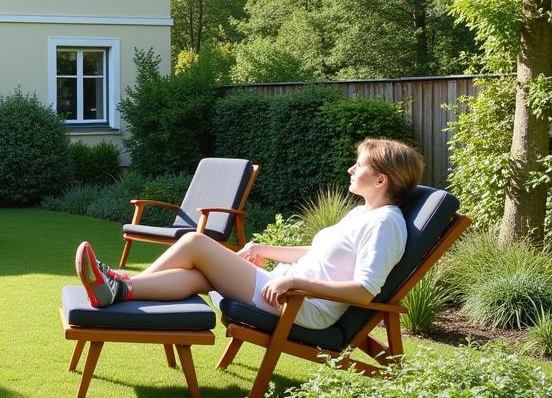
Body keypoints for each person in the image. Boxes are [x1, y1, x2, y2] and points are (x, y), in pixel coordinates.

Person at [75, 138, 424, 329]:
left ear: (381, 179)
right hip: (286, 291)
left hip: (300, 307)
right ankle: (121, 289)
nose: (351, 168)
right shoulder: (364, 213)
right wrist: (264, 248)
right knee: (197, 276)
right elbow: (316, 256)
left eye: (359, 165)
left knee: (195, 241)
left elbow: (364, 292)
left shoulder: (385, 225)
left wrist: (294, 285)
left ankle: (118, 288)